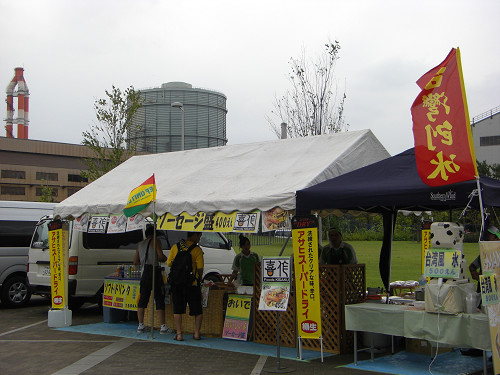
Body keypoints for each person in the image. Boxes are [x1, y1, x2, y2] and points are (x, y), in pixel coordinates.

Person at [167, 231, 204, 341]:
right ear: (194, 236)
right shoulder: (197, 250)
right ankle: (196, 334)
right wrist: (199, 277)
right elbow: (200, 268)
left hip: (177, 284)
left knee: (177, 310)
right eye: (199, 236)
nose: (199, 239)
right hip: (192, 284)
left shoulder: (175, 247)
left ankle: (179, 334)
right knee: (197, 310)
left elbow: (169, 263)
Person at [133, 224, 169, 334]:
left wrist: (143, 261)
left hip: (144, 273)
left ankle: (140, 325)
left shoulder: (139, 244)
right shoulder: (156, 241)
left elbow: (135, 262)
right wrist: (165, 258)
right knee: (159, 298)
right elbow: (161, 256)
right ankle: (163, 326)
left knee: (143, 299)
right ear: (153, 234)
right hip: (154, 273)